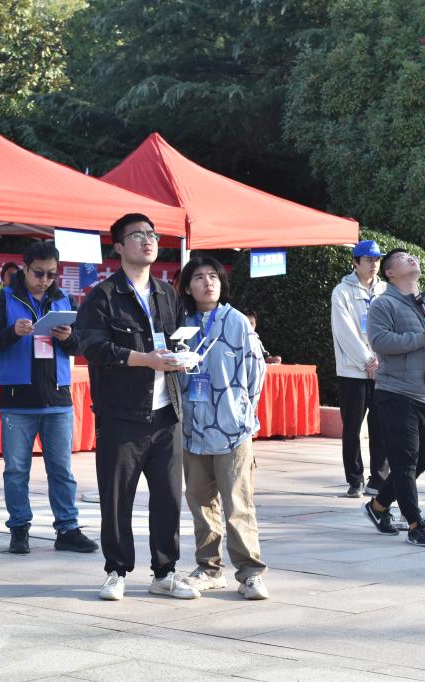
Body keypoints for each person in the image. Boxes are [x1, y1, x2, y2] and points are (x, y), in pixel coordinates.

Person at [77, 212, 200, 602]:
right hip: (122, 414)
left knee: (168, 498)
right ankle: (116, 571)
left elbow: (176, 341)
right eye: (137, 235)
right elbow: (93, 347)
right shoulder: (103, 296)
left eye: (152, 234)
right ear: (118, 246)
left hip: (167, 412)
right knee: (117, 498)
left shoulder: (167, 294)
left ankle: (164, 573)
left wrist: (183, 358)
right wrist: (145, 359)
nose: (148, 241)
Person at [0, 241, 98, 556]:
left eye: (51, 274)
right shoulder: (3, 299)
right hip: (17, 400)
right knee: (16, 470)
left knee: (62, 470)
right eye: (39, 273)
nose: (45, 280)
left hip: (57, 398)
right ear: (25, 267)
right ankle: (19, 528)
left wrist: (68, 338)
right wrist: (12, 332)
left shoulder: (64, 300)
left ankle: (67, 529)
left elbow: (82, 345)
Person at [177, 256, 270, 600]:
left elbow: (256, 371)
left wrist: (243, 413)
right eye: (199, 277)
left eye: (213, 276)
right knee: (200, 502)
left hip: (232, 430)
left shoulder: (237, 321)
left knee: (238, 504)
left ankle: (250, 574)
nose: (208, 282)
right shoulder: (180, 324)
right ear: (188, 288)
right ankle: (209, 568)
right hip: (193, 430)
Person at [361, 248, 425, 548]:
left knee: (421, 462)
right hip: (396, 393)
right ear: (390, 272)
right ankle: (416, 524)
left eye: (412, 257)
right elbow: (379, 340)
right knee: (405, 463)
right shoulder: (384, 304)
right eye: (403, 258)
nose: (411, 258)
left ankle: (378, 506)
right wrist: (422, 339)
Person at [331, 239, 389, 499]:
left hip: (382, 369)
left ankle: (379, 479)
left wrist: (380, 360)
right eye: (368, 260)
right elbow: (345, 332)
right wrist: (367, 360)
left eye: (377, 259)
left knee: (381, 426)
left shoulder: (385, 290)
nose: (374, 264)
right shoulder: (341, 292)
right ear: (355, 262)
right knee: (352, 428)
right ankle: (354, 479)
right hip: (352, 371)